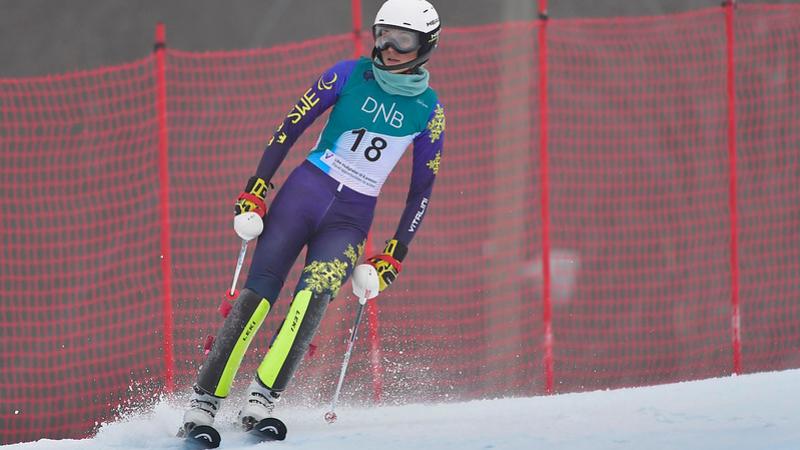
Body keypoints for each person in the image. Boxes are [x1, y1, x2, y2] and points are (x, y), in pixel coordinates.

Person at [179, 0, 446, 434]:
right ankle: (203, 403)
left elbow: (422, 189)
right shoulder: (346, 73)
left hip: (350, 219)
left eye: (403, 39)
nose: (389, 48)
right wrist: (257, 186)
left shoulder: (429, 111)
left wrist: (396, 251)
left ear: (425, 45)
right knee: (258, 296)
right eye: (383, 35)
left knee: (313, 298)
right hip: (303, 194)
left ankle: (261, 400)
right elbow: (290, 128)